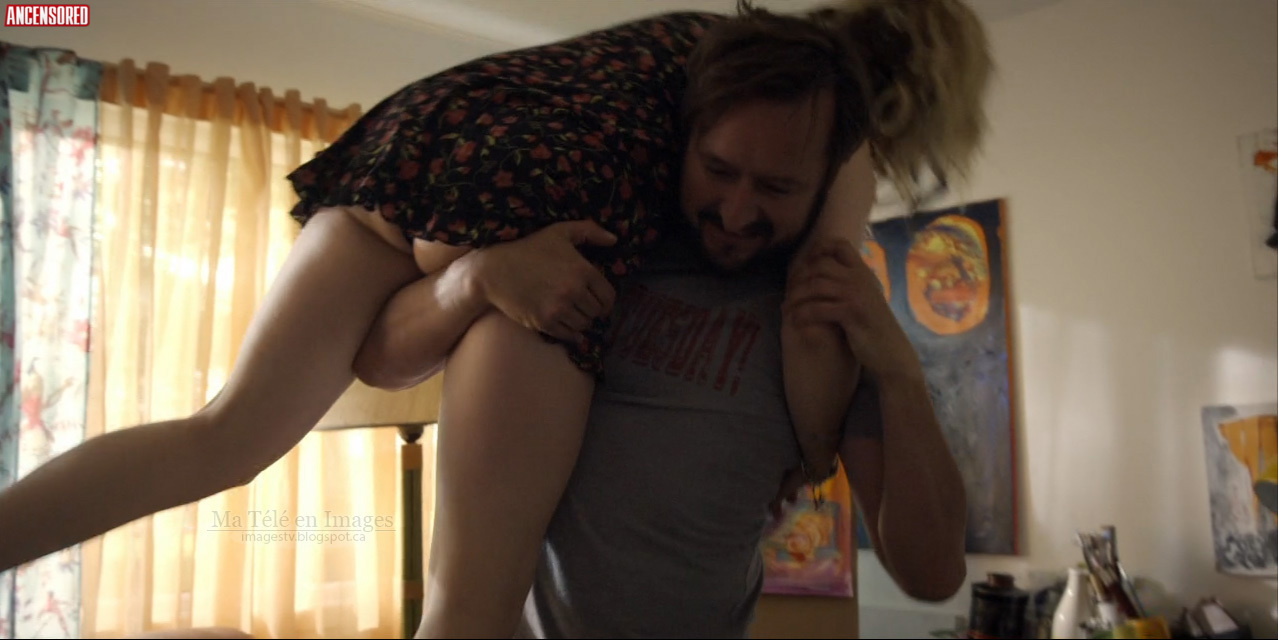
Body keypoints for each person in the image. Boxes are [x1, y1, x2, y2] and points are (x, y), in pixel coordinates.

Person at [0, 0, 990, 637]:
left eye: (773, 187)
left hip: (409, 153)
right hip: (516, 225)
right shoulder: (811, 134)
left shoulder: (700, 63)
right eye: (723, 170)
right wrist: (811, 442)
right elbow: (820, 292)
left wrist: (892, 372)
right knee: (469, 609)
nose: (737, 210)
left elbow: (932, 571)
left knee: (223, 432)